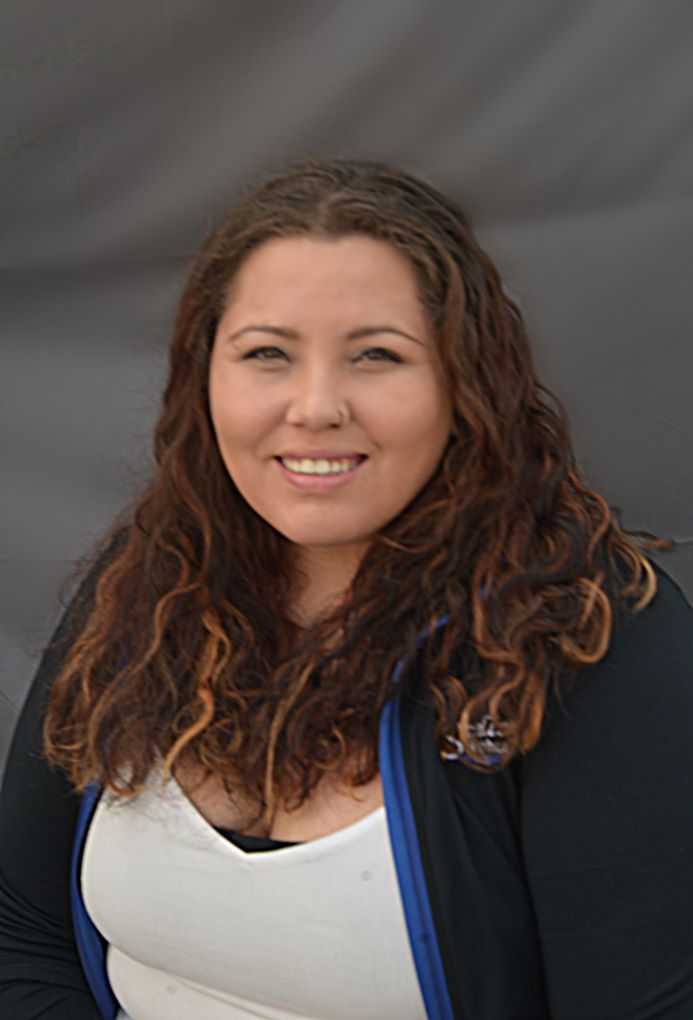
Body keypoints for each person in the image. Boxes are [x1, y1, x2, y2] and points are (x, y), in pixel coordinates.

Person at [0, 157, 691, 1020]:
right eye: (266, 355)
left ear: (465, 383)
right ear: (201, 376)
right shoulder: (148, 583)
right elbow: (20, 929)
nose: (317, 406)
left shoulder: (588, 636)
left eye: (375, 354)